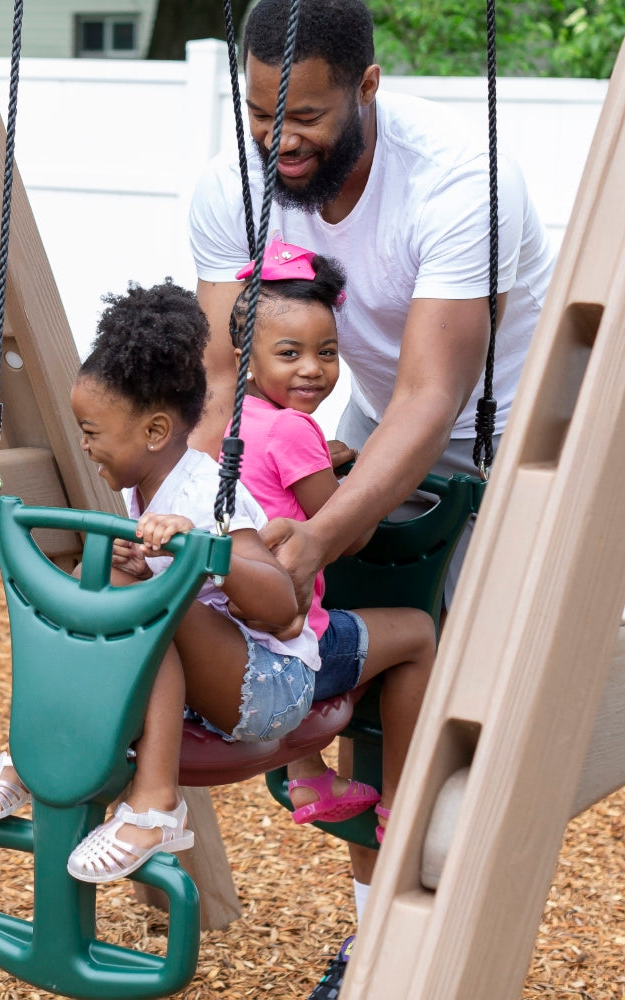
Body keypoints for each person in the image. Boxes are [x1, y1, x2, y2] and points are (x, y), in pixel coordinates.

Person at [188, 0, 555, 993]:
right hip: (374, 422)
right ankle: (374, 943)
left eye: (302, 116)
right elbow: (227, 380)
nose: (280, 139)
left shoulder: (461, 178)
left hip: (522, 429)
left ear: (368, 87)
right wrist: (198, 513)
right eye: (262, 112)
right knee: (358, 669)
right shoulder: (238, 179)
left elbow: (437, 396)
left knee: (477, 686)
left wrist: (310, 543)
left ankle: (452, 925)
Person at [0, 280, 320, 886]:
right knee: (94, 578)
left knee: (136, 601)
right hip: (215, 674)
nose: (84, 444)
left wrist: (198, 551)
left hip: (270, 686)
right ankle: (36, 753)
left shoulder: (203, 493)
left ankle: (157, 806)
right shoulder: (144, 487)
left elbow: (281, 603)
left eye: (93, 431)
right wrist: (135, 555)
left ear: (154, 433)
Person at [227, 239, 434, 840]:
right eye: (289, 353)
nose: (312, 369)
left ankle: (308, 773)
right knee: (417, 634)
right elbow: (347, 527)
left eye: (327, 352)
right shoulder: (295, 431)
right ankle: (401, 803)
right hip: (289, 647)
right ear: (246, 355)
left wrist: (325, 458)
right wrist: (360, 477)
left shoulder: (229, 423)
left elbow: (277, 482)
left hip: (233, 635)